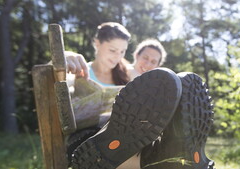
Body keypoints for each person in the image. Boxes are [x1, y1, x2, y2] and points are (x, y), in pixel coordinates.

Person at [65, 22, 215, 169]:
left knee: (138, 137)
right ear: (97, 43)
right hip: (88, 132)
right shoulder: (81, 70)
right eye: (112, 50)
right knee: (100, 138)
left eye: (122, 52)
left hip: (124, 141)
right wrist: (64, 57)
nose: (117, 56)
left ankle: (170, 151)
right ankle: (169, 156)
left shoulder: (126, 73)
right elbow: (57, 87)